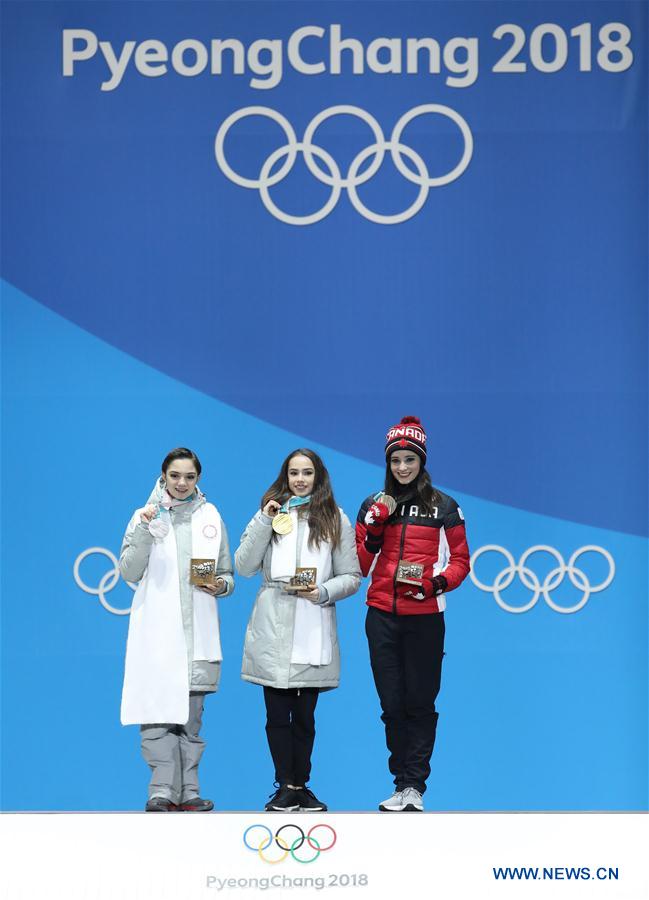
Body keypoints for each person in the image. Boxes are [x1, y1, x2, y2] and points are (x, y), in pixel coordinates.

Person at [235, 448, 361, 812]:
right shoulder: (271, 515)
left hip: (313, 623)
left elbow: (351, 577)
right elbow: (244, 566)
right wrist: (264, 519)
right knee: (276, 716)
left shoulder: (335, 519)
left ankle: (300, 785)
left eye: (307, 473)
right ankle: (283, 786)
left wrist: (322, 592)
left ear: (318, 477)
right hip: (273, 623)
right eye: (294, 473)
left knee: (305, 718)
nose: (300, 479)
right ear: (285, 476)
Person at [355, 416, 470, 812]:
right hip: (381, 615)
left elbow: (461, 562)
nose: (402, 467)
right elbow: (360, 565)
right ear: (387, 463)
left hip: (425, 618)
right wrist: (374, 530)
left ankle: (414, 786)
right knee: (391, 704)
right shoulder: (373, 504)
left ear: (421, 461)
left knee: (420, 702)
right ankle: (399, 780)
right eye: (395, 461)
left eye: (409, 459)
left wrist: (434, 585)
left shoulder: (445, 506)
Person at [119, 447, 234, 812]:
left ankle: (189, 793)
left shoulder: (211, 516)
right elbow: (128, 572)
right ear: (163, 476)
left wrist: (220, 585)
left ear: (198, 479)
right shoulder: (144, 516)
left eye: (189, 477)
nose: (182, 483)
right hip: (158, 634)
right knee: (157, 717)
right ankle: (161, 792)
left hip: (197, 633)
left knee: (190, 721)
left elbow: (228, 574)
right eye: (175, 476)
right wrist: (144, 531)